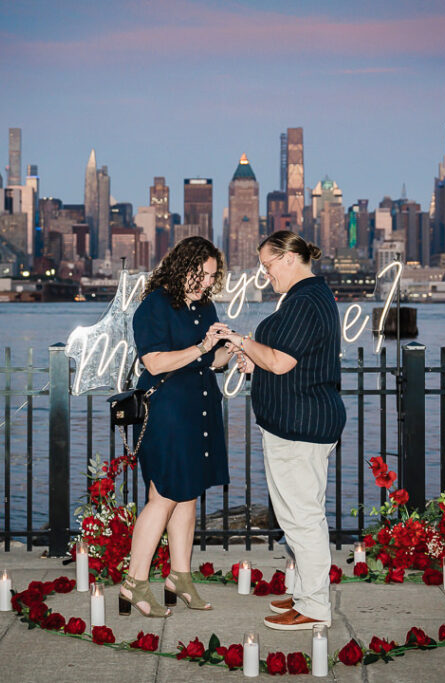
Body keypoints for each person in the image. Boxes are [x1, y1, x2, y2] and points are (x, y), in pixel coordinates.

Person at [221, 230, 346, 630]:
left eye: (268, 264)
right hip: (299, 421)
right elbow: (281, 358)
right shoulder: (308, 297)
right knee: (298, 515)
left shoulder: (305, 301)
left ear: (290, 258)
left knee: (301, 518)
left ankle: (313, 607)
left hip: (299, 425)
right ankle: (305, 594)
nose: (264, 273)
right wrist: (252, 357)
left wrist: (239, 340)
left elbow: (281, 362)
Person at [119, 236, 232, 618]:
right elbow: (154, 363)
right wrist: (203, 349)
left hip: (199, 408)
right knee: (164, 494)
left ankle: (179, 577)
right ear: (183, 265)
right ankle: (134, 582)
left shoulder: (204, 305)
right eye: (201, 275)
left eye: (212, 277)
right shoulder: (153, 306)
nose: (206, 283)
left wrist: (226, 350)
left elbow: (211, 363)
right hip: (166, 412)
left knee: (189, 493)